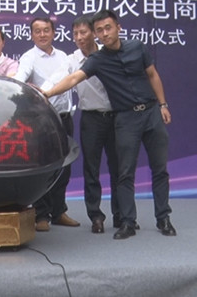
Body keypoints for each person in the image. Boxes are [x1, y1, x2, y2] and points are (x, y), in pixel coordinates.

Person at [43, 9, 176, 240]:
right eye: (100, 30)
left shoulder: (137, 47)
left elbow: (152, 74)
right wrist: (47, 93)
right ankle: (127, 221)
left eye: (108, 28)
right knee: (124, 172)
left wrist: (163, 104)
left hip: (151, 113)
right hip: (125, 118)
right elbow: (73, 78)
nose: (105, 33)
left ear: (118, 27)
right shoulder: (98, 60)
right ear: (96, 34)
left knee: (159, 169)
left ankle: (163, 217)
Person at [13, 16, 80, 232]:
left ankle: (59, 211)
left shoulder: (64, 57)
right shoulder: (28, 57)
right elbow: (20, 78)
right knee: (41, 168)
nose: (42, 34)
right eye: (37, 31)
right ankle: (41, 214)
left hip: (63, 118)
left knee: (64, 167)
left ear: (54, 33)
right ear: (32, 35)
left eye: (46, 30)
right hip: (40, 121)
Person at [68, 16, 120, 234]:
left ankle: (122, 215)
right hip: (91, 118)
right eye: (75, 34)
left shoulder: (108, 54)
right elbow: (58, 79)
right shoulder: (71, 60)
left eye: (84, 32)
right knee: (91, 169)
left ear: (94, 33)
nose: (79, 37)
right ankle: (95, 216)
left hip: (116, 117)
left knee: (119, 168)